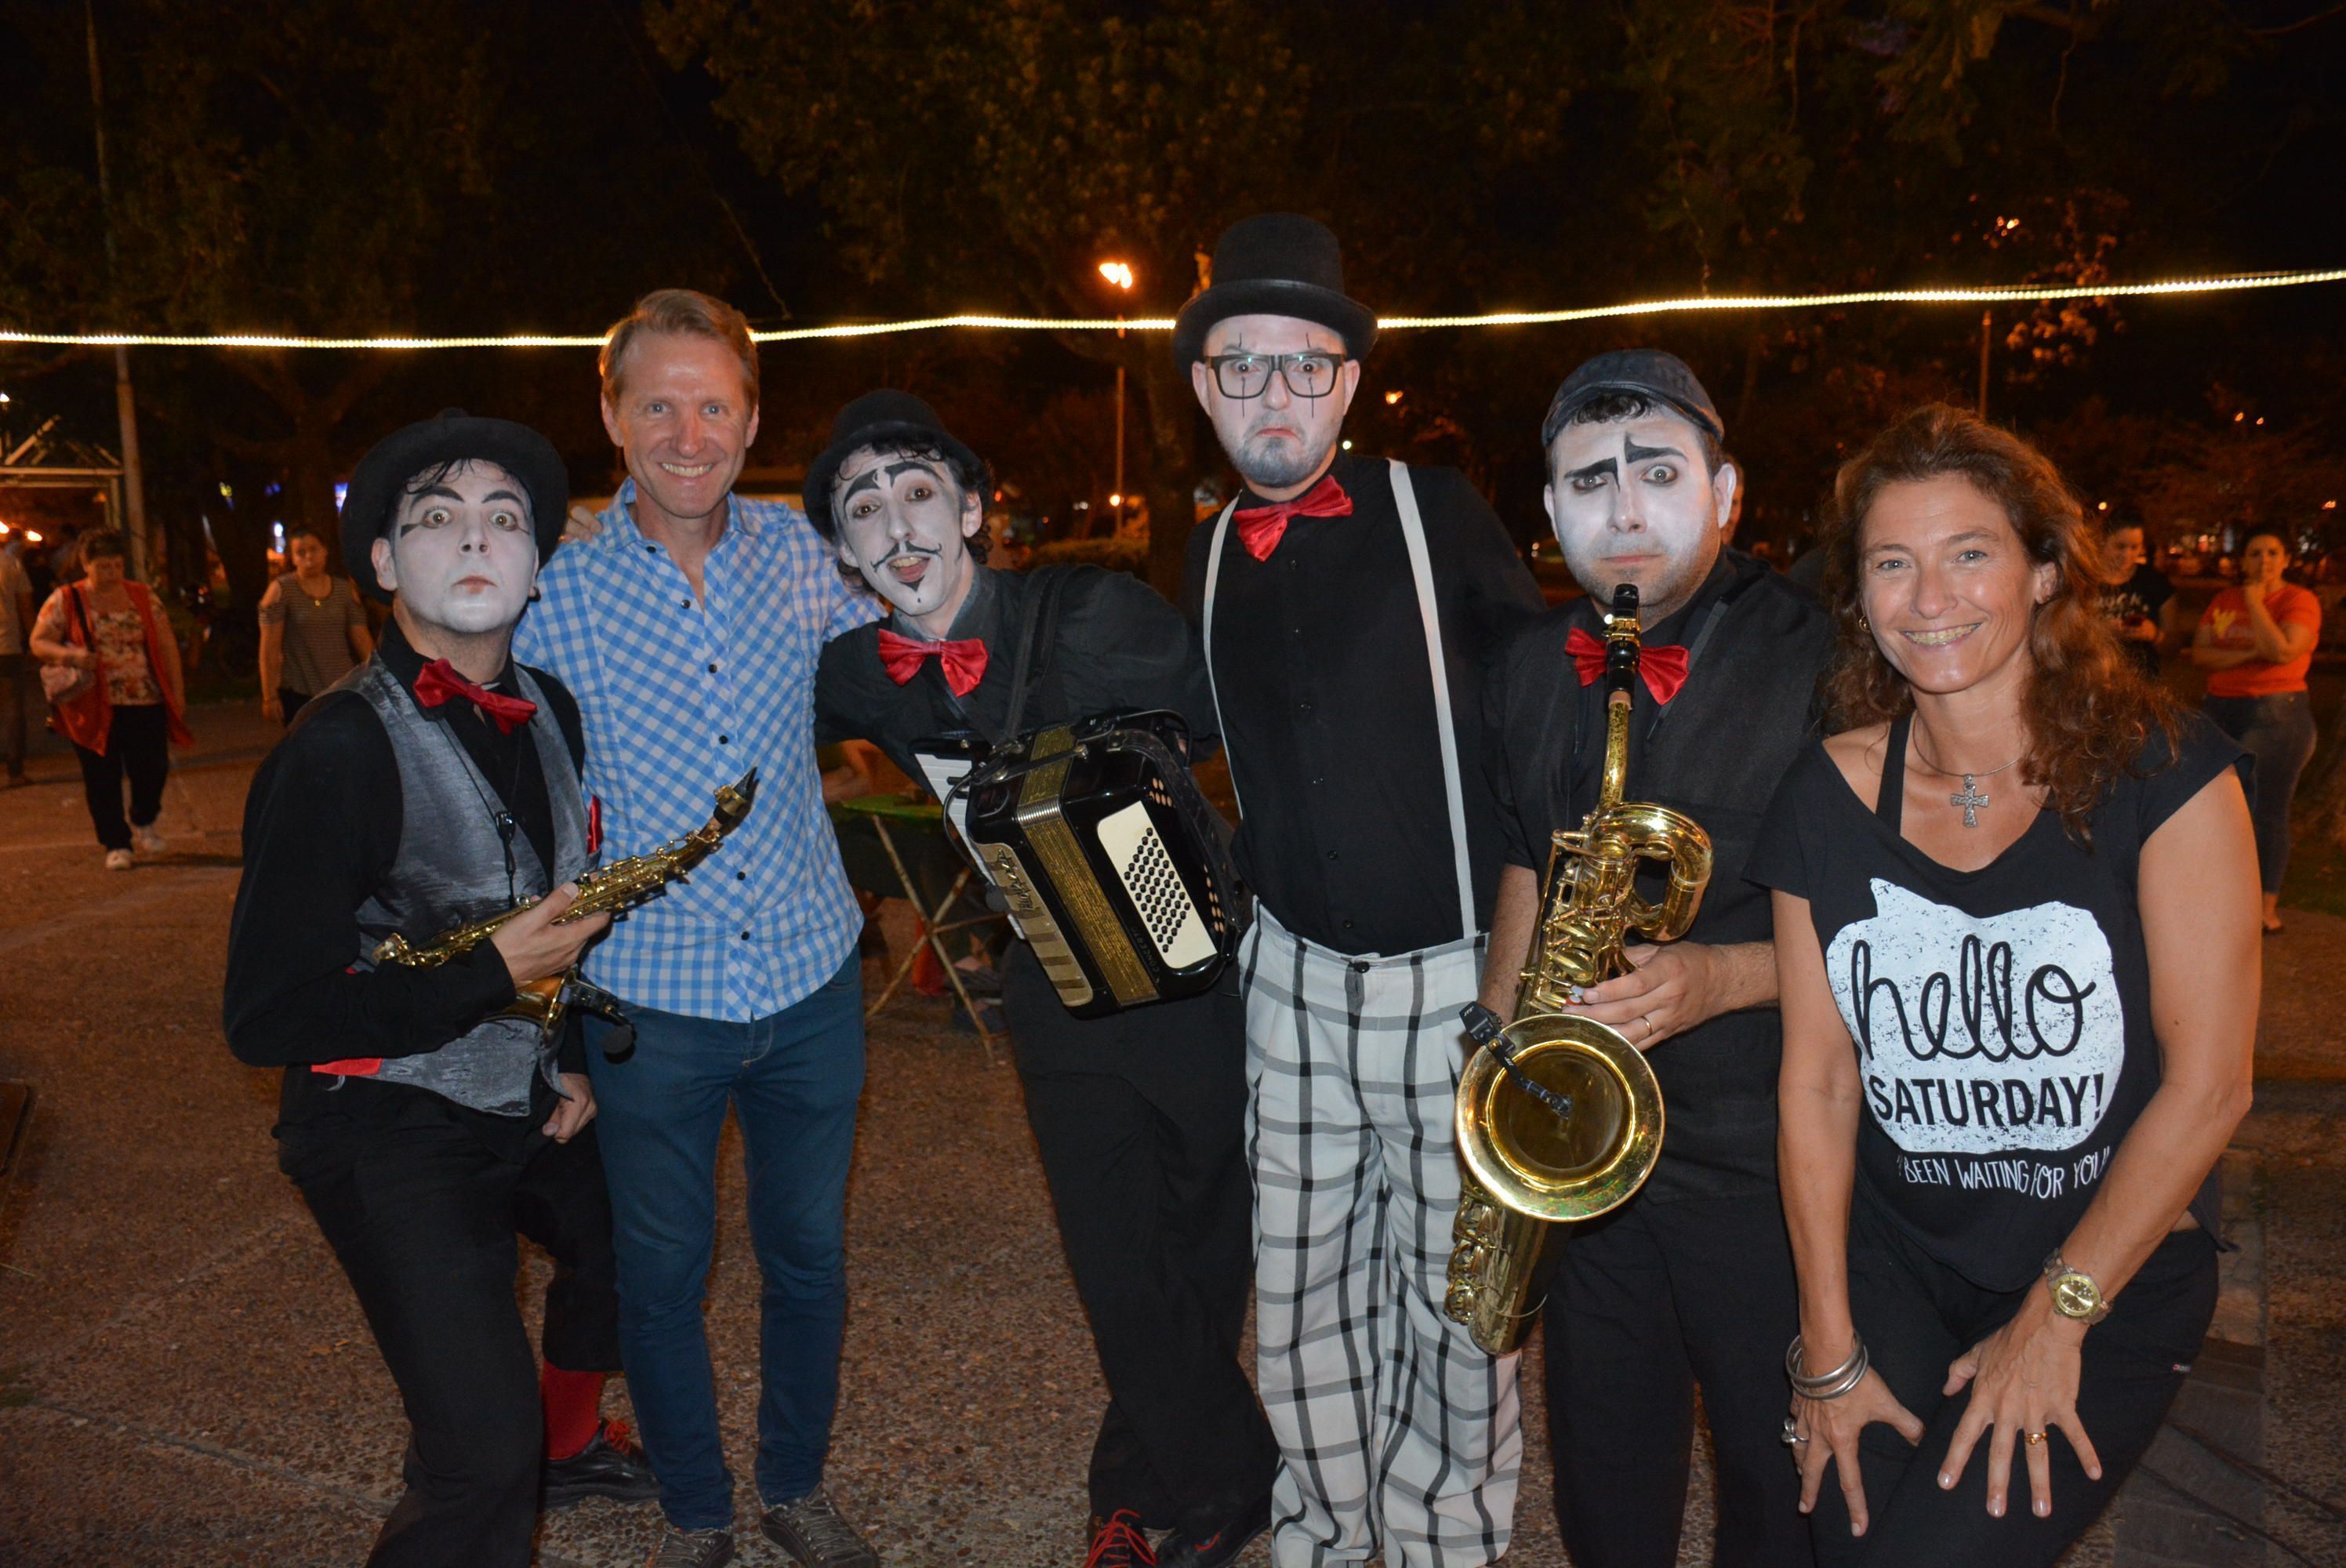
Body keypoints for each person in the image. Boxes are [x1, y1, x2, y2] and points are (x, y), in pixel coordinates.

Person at [1749, 405, 2257, 1567]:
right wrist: (1824, 1346)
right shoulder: (1824, 794)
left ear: (2043, 572)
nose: (1929, 598)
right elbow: (1818, 1082)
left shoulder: (2165, 776)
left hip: (2109, 1256)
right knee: (1853, 1543)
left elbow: (2211, 1087)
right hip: (1894, 1256)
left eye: (1969, 552)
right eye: (1892, 563)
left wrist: (2054, 1318)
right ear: (1859, 594)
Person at [807, 390, 1279, 1568]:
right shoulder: (858, 672)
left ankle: (1136, 1486)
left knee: (1207, 1246)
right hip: (1052, 979)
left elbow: (1239, 727)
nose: (897, 525)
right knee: (1115, 1259)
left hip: (1191, 976)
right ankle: (1232, 1479)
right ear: (845, 553)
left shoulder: (1094, 613)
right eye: (863, 508)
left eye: (918, 491)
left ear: (971, 509)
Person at [222, 412, 659, 1567]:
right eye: (436, 517)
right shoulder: (335, 749)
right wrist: (491, 973)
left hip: (518, 1087)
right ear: (383, 560)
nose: (475, 538)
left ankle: (568, 1442)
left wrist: (565, 1050)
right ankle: (508, 1452)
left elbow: (548, 910)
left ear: (535, 564)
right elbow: (265, 1015)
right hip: (381, 1116)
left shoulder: (552, 706)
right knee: (479, 1452)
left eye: (504, 518)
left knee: (647, 1232)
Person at [1177, 213, 1546, 1566]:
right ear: (1204, 387)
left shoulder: (1435, 511)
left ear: (1346, 382)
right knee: (1302, 1306)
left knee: (1460, 1314)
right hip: (1286, 983)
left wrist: (1520, 976)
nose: (1272, 393)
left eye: (1303, 364)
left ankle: (1444, 1545)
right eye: (1242, 366)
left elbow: (1541, 725)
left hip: (1451, 978)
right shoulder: (1205, 549)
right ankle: (1325, 1540)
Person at [512, 289, 882, 1568]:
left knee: (809, 1258)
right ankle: (695, 1509)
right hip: (647, 998)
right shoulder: (554, 587)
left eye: (713, 405)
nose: (688, 434)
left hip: (809, 979)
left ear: (752, 419)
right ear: (611, 417)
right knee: (662, 1276)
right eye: (659, 405)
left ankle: (793, 1485)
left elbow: (918, 652)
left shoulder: (805, 556)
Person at [1477, 351, 1833, 1568]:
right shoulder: (1528, 664)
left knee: (1775, 1484)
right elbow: (1526, 857)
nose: (1624, 508)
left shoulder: (1826, 660)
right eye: (1590, 482)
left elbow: (1896, 919)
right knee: (1605, 1473)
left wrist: (1722, 977)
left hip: (1762, 1155)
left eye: (1660, 474)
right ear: (1551, 509)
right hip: (1588, 1154)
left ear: (1726, 493)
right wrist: (1501, 1049)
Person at [28, 528, 189, 869]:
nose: (112, 573)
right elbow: (39, 641)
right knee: (102, 775)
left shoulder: (142, 596)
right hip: (91, 702)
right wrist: (71, 656)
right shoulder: (66, 599)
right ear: (86, 564)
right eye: (103, 567)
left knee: (152, 767)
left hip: (144, 698)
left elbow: (165, 643)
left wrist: (177, 692)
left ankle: (144, 818)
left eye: (117, 565)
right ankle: (116, 843)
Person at [2191, 527, 2320, 933]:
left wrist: (2254, 601)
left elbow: (2282, 650)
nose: (2264, 560)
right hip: (2219, 710)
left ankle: (2265, 907)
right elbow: (2200, 654)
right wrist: (2252, 651)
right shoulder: (2222, 600)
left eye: (2272, 552)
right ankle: (2224, 898)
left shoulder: (2299, 601)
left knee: (2265, 809)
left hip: (2276, 713)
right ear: (2243, 560)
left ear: (2286, 559)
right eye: (2255, 553)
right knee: (2216, 808)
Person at [259, 525, 374, 724]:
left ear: (325, 551)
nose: (309, 558)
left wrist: (376, 679)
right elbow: (270, 647)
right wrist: (269, 695)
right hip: (300, 692)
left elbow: (362, 640)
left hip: (342, 688)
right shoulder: (281, 591)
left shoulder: (344, 591)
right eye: (301, 552)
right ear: (292, 558)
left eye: (314, 549)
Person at [2095, 521, 2176, 681]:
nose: (2127, 555)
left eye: (2135, 547)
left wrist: (2155, 635)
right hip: (2094, 679)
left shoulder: (2155, 583)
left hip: (2142, 682)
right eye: (2120, 546)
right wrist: (2100, 630)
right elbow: (2062, 638)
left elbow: (2173, 647)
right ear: (2103, 541)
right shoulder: (2084, 582)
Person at [0, 540, 34, 786]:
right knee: (13, 708)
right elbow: (26, 607)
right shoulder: (11, 564)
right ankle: (15, 772)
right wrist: (35, 639)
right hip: (7, 645)